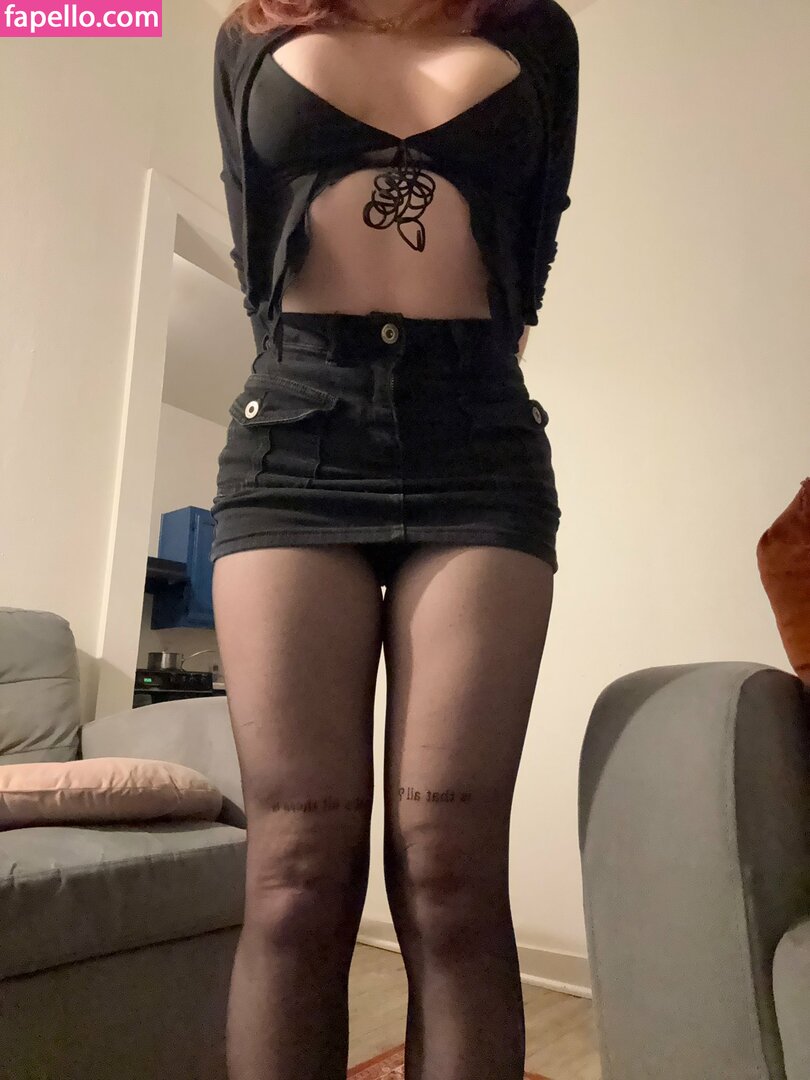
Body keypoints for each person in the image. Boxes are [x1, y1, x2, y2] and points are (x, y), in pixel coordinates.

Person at [209, 0, 579, 1077]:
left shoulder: (534, 30)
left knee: (451, 870)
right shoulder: (251, 31)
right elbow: (253, 242)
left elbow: (532, 243)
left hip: (479, 444)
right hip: (295, 434)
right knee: (294, 874)